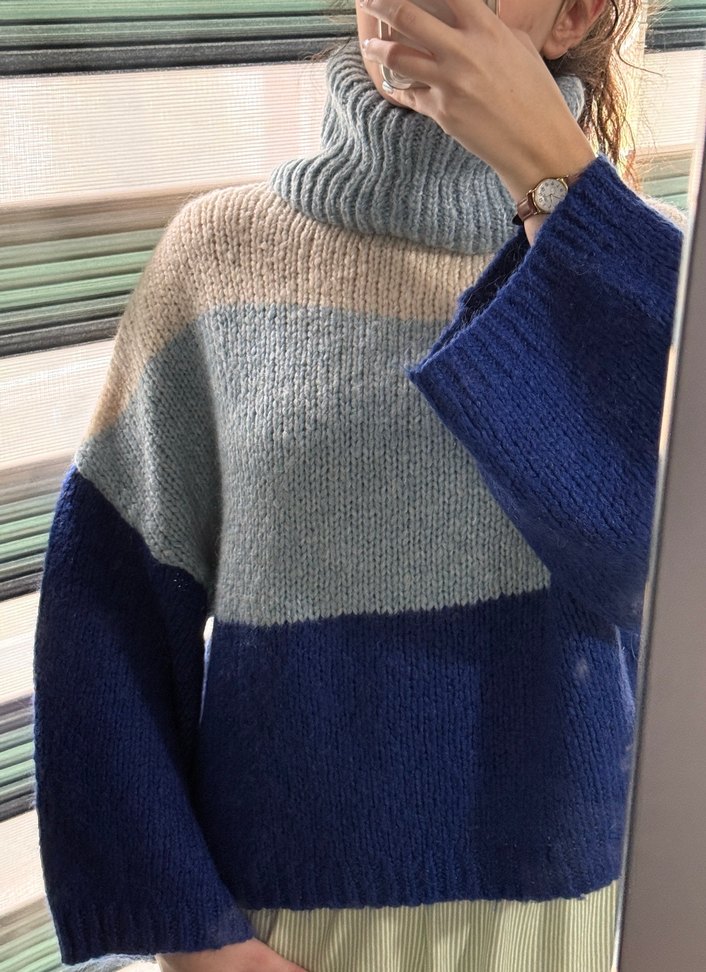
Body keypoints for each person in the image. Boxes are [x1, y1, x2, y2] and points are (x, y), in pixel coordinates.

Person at [31, 1, 688, 970]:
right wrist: (192, 936)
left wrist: (558, 183)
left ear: (575, 15)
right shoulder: (221, 255)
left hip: (580, 926)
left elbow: (659, 577)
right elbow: (103, 616)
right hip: (293, 932)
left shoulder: (655, 273)